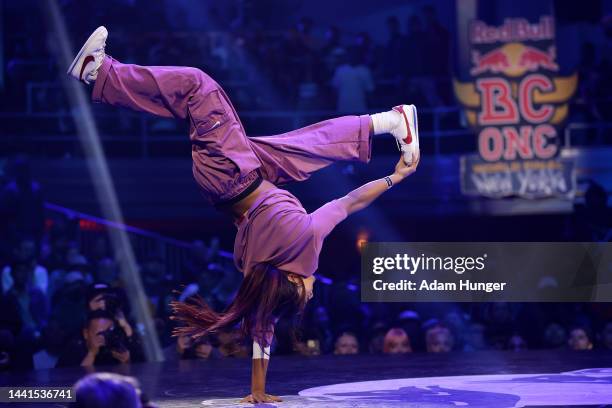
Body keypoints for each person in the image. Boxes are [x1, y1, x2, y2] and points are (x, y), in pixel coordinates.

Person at [67, 26, 420, 404]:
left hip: (234, 173)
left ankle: (99, 71)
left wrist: (394, 177)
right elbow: (262, 332)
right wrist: (256, 391)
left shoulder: (306, 244)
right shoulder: (262, 277)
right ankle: (389, 121)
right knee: (309, 146)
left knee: (198, 86)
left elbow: (350, 201)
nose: (313, 294)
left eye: (307, 296)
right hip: (241, 179)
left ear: (297, 288)